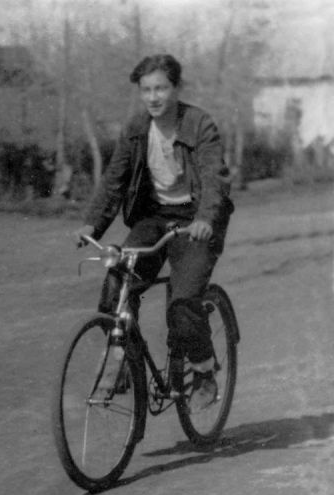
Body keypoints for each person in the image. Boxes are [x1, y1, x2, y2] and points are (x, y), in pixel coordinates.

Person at [73, 54, 234, 399]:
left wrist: (205, 219)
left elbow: (214, 179)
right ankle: (122, 360)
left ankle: (203, 369)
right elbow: (114, 180)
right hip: (154, 217)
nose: (153, 97)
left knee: (183, 303)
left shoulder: (199, 124)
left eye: (160, 88)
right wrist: (92, 225)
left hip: (195, 221)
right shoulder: (136, 129)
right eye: (146, 90)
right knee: (117, 284)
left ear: (176, 88)